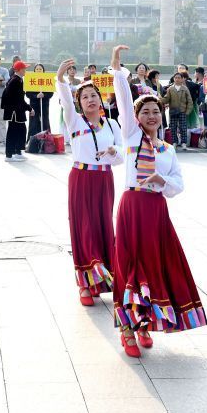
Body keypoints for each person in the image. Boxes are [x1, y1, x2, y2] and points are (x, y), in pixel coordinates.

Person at [110, 45, 206, 358]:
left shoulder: (167, 149)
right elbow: (124, 100)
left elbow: (178, 184)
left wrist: (162, 181)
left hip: (156, 211)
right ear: (136, 118)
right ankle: (127, 327)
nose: (151, 116)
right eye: (145, 112)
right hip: (132, 207)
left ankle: (144, 323)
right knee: (129, 264)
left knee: (154, 264)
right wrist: (117, 69)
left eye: (155, 111)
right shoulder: (130, 138)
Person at [55, 58, 123, 306]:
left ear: (100, 98)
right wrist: (60, 78)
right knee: (83, 227)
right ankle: (84, 283)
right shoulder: (74, 121)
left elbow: (123, 154)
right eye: (85, 97)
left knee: (104, 225)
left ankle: (103, 278)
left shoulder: (112, 124)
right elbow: (64, 98)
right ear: (79, 103)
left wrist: (113, 152)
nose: (90, 99)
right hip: (81, 178)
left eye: (94, 95)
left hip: (104, 178)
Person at [1, 60, 32, 161]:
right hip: (14, 111)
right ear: (19, 70)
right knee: (13, 132)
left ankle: (18, 151)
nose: (25, 70)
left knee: (21, 130)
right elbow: (13, 97)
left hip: (18, 110)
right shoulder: (15, 80)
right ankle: (9, 155)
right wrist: (29, 108)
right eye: (24, 69)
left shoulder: (18, 80)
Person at [162, 71, 193, 150]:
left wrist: (188, 111)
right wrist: (159, 100)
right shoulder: (170, 89)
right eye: (176, 78)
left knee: (183, 128)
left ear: (182, 79)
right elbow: (166, 99)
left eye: (179, 78)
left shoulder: (185, 89)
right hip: (173, 111)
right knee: (173, 127)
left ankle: (183, 143)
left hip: (182, 111)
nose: (177, 79)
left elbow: (190, 101)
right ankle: (174, 142)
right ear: (173, 79)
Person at [26, 63, 53, 138]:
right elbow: (28, 94)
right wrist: (36, 96)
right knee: (33, 122)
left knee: (45, 121)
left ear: (43, 71)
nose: (38, 70)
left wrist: (44, 95)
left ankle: (47, 140)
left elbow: (51, 94)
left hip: (44, 104)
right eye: (37, 69)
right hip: (34, 104)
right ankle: (31, 140)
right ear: (34, 70)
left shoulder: (47, 79)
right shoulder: (30, 79)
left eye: (40, 69)